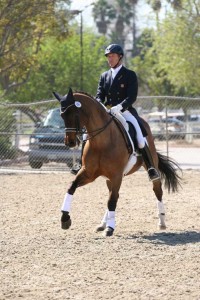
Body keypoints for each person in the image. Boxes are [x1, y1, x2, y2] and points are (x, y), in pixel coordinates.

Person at [71, 43, 159, 181]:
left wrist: (120, 106)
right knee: (85, 136)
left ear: (120, 57)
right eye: (108, 56)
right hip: (107, 111)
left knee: (140, 137)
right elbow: (100, 94)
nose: (109, 59)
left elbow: (132, 96)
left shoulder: (129, 75)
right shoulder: (104, 76)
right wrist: (99, 104)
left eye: (112, 56)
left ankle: (151, 168)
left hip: (125, 111)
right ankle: (81, 164)